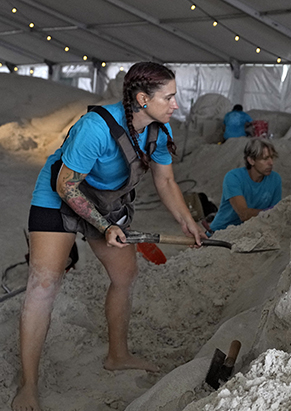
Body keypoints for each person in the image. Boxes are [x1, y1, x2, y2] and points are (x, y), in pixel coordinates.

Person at [12, 62, 205, 411]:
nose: (176, 105)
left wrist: (187, 222)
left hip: (107, 200)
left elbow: (166, 181)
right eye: (170, 97)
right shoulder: (95, 128)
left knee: (125, 275)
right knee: (43, 286)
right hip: (58, 196)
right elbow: (65, 184)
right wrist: (105, 227)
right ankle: (28, 384)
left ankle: (118, 355)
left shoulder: (158, 131)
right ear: (143, 99)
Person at [209, 138, 282, 232]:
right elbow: (244, 214)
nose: (271, 163)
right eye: (265, 159)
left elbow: (277, 214)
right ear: (251, 160)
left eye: (272, 157)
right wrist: (269, 212)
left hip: (251, 232)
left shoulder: (275, 179)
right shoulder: (233, 177)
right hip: (221, 232)